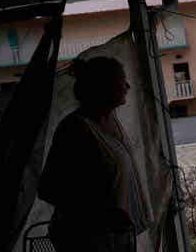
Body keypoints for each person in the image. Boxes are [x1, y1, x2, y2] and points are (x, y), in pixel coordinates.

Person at [39, 57, 148, 251]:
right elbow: (48, 189)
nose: (128, 86)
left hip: (116, 237)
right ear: (103, 85)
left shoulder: (111, 120)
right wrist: (102, 214)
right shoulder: (75, 129)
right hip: (86, 240)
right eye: (121, 79)